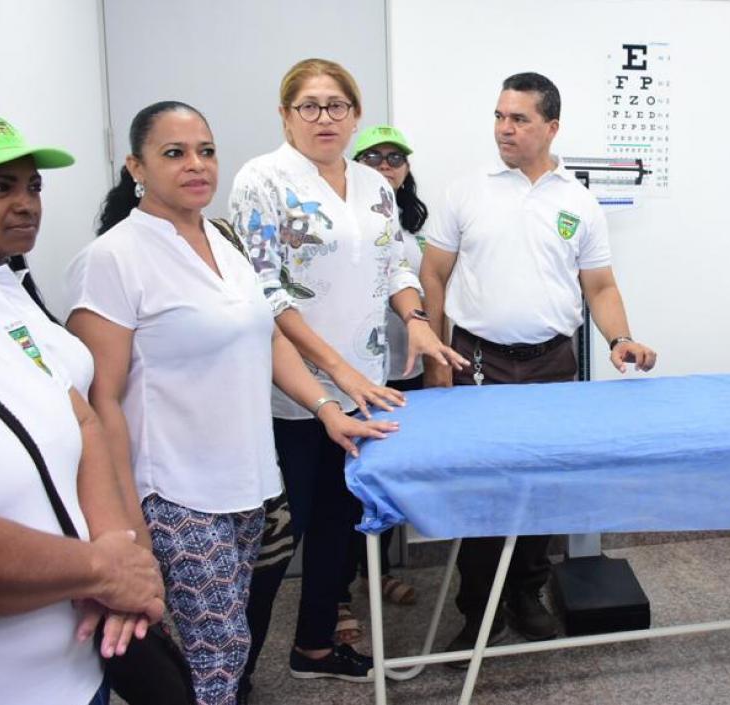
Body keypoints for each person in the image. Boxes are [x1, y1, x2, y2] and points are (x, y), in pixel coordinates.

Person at [65, 100, 397, 705]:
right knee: (212, 663)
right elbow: (99, 402)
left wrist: (326, 410)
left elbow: (268, 336)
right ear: (135, 166)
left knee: (228, 646)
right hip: (176, 496)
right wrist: (126, 525)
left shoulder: (222, 240)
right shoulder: (113, 259)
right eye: (174, 153)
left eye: (206, 151)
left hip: (251, 484)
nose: (196, 165)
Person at [228, 58, 466, 687]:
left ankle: (313, 649)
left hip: (369, 385)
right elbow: (266, 291)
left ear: (355, 115)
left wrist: (416, 319)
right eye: (308, 105)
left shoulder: (373, 186)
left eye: (337, 105)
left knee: (342, 521)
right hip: (297, 393)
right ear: (285, 115)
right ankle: (231, 676)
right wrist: (334, 371)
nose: (324, 118)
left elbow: (396, 268)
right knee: (279, 541)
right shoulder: (263, 180)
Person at [419, 72, 657, 661]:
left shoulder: (576, 201)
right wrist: (434, 357)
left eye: (519, 119)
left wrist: (620, 337)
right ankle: (478, 610)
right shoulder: (465, 191)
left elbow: (599, 286)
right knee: (482, 490)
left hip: (551, 363)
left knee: (541, 488)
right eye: (499, 116)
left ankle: (526, 596)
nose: (505, 128)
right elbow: (434, 275)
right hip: (478, 360)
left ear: (551, 128)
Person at [0, 112, 165, 705]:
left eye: (32, 186)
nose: (27, 205)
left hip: (77, 663)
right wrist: (100, 569)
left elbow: (79, 418)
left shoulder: (3, 295)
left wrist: (120, 548)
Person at [332, 125, 432, 638]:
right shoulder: (343, 226)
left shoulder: (414, 232)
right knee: (349, 487)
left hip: (404, 374)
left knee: (389, 481)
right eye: (374, 156)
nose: (386, 165)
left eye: (396, 157)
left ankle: (382, 571)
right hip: (354, 380)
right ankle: (340, 594)